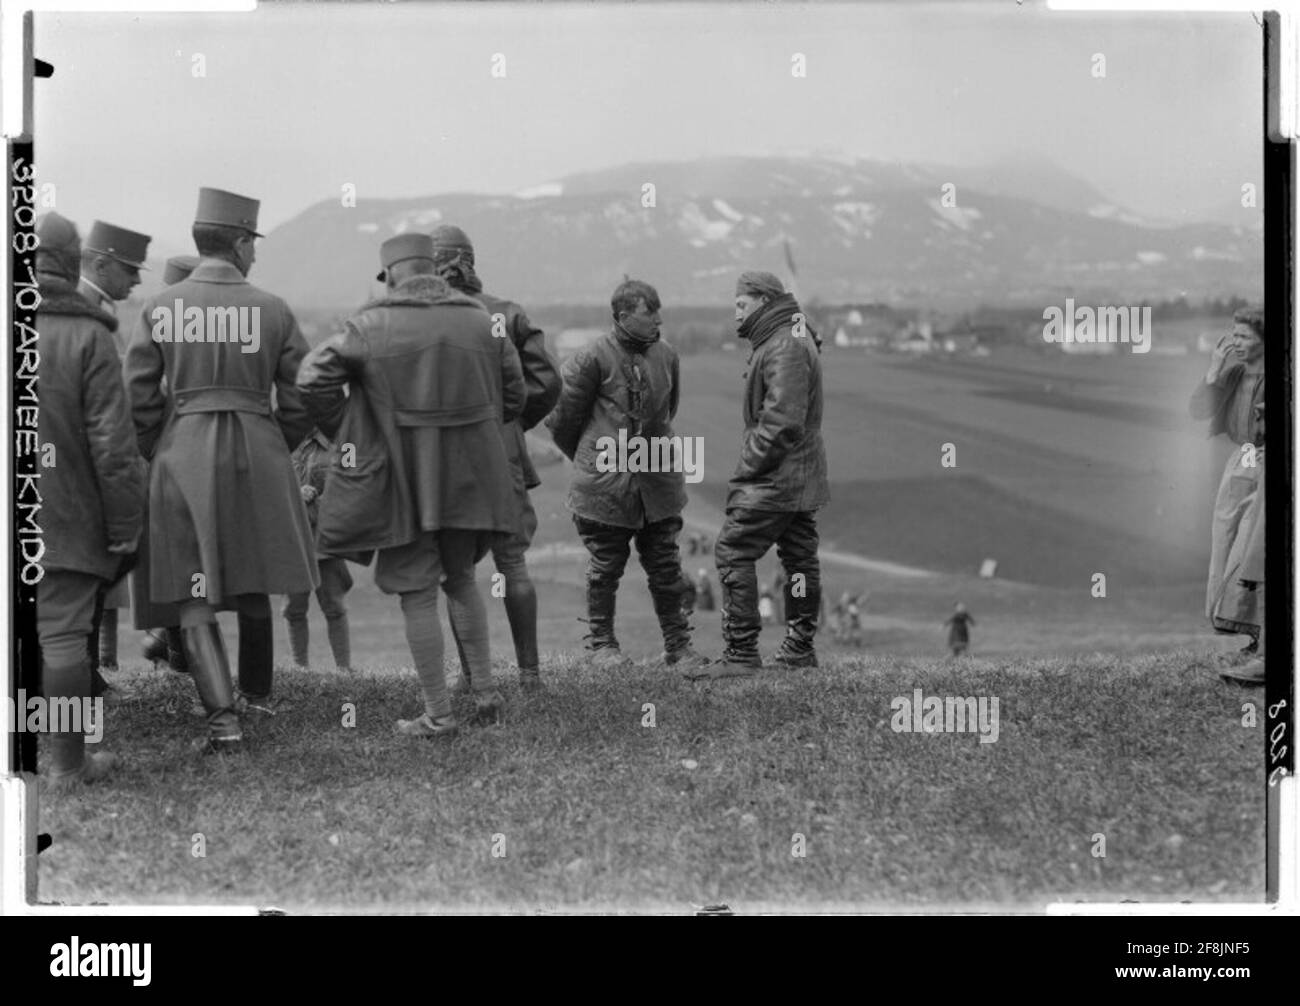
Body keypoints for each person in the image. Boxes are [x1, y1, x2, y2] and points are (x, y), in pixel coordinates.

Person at [297, 233, 525, 734]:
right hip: (470, 474)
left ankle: (439, 715)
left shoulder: (370, 324)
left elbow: (312, 378)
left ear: (391, 276)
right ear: (432, 271)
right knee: (462, 577)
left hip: (401, 478)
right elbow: (515, 390)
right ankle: (485, 695)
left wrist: (351, 430)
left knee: (417, 592)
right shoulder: (479, 319)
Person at [125, 187, 318, 752]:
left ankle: (223, 723)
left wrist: (159, 445)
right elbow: (303, 395)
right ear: (237, 242)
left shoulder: (161, 307)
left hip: (182, 450)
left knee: (191, 586)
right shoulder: (275, 308)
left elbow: (137, 393)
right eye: (251, 243)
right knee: (254, 570)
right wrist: (273, 438)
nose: (254, 254)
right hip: (259, 448)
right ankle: (257, 695)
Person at [34, 212, 146, 786]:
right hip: (64, 517)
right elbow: (113, 447)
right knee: (62, 643)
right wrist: (127, 526)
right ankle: (69, 766)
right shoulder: (89, 334)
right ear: (69, 259)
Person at [545, 279, 708, 674]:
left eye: (658, 310)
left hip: (657, 478)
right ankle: (602, 646)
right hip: (604, 485)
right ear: (622, 316)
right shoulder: (590, 359)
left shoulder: (667, 355)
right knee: (605, 567)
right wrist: (591, 460)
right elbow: (562, 421)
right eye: (648, 311)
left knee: (665, 564)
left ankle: (679, 648)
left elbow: (666, 413)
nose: (658, 318)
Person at [429, 225, 561, 691]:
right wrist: (511, 424)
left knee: (457, 571)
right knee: (514, 565)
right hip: (502, 450)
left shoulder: (430, 317)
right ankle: (530, 676)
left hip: (449, 458)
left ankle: (471, 678)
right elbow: (546, 383)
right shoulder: (506, 313)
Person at [693, 271, 828, 680]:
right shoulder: (790, 335)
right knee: (799, 559)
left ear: (765, 301)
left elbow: (781, 421)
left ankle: (741, 653)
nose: (735, 313)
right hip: (801, 471)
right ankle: (799, 648)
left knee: (733, 550)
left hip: (779, 473)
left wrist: (746, 470)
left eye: (741, 304)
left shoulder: (784, 345)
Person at [78, 221, 151, 681]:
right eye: (129, 270)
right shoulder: (83, 313)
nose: (138, 280)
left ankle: (91, 679)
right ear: (100, 263)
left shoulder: (96, 307)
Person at [1189, 307, 1265, 684]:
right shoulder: (1234, 372)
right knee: (1226, 542)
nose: (1235, 342)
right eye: (1233, 335)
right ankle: (1252, 634)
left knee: (1251, 551)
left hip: (1267, 460)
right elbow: (1197, 410)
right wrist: (1214, 369)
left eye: (1244, 336)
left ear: (1264, 339)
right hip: (1240, 461)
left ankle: (1265, 639)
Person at [137, 254, 199, 675]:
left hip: (164, 459)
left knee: (172, 563)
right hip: (183, 460)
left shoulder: (162, 334)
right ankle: (175, 649)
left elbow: (138, 397)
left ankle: (170, 644)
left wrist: (150, 448)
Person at [283, 428, 353, 671]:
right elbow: (266, 484)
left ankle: (344, 670)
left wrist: (316, 502)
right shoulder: (282, 438)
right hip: (293, 542)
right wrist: (294, 494)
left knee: (334, 607)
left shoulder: (340, 442)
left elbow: (351, 486)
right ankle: (300, 670)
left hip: (327, 541)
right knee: (293, 609)